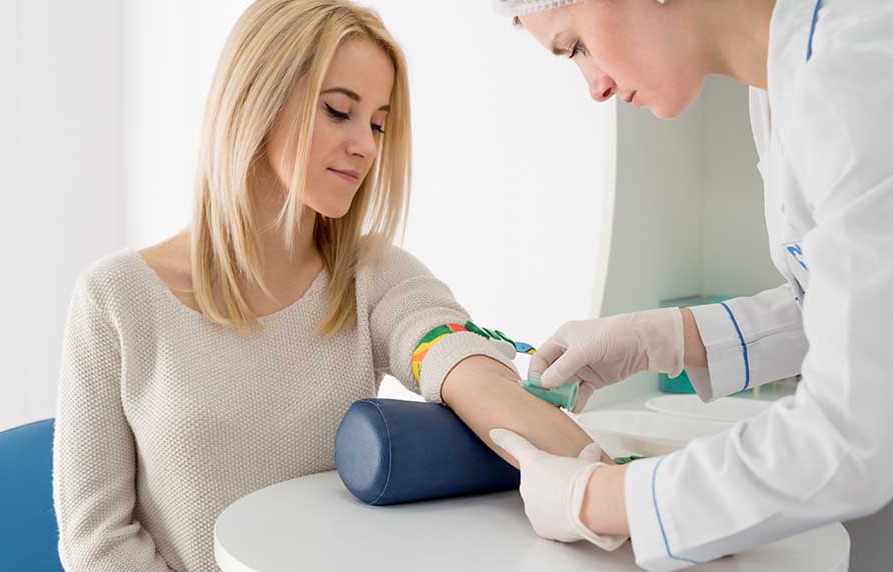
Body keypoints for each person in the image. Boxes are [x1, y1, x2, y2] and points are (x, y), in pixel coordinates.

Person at [52, 1, 596, 570]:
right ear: (256, 101)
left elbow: (453, 354)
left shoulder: (373, 276)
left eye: (379, 123)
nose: (366, 144)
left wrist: (621, 489)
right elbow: (97, 542)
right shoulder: (115, 299)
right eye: (339, 111)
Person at [487, 0, 893, 569]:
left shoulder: (857, 67)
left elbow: (851, 437)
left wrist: (603, 499)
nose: (594, 88)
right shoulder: (780, 84)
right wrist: (673, 336)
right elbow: (856, 307)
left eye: (574, 44)